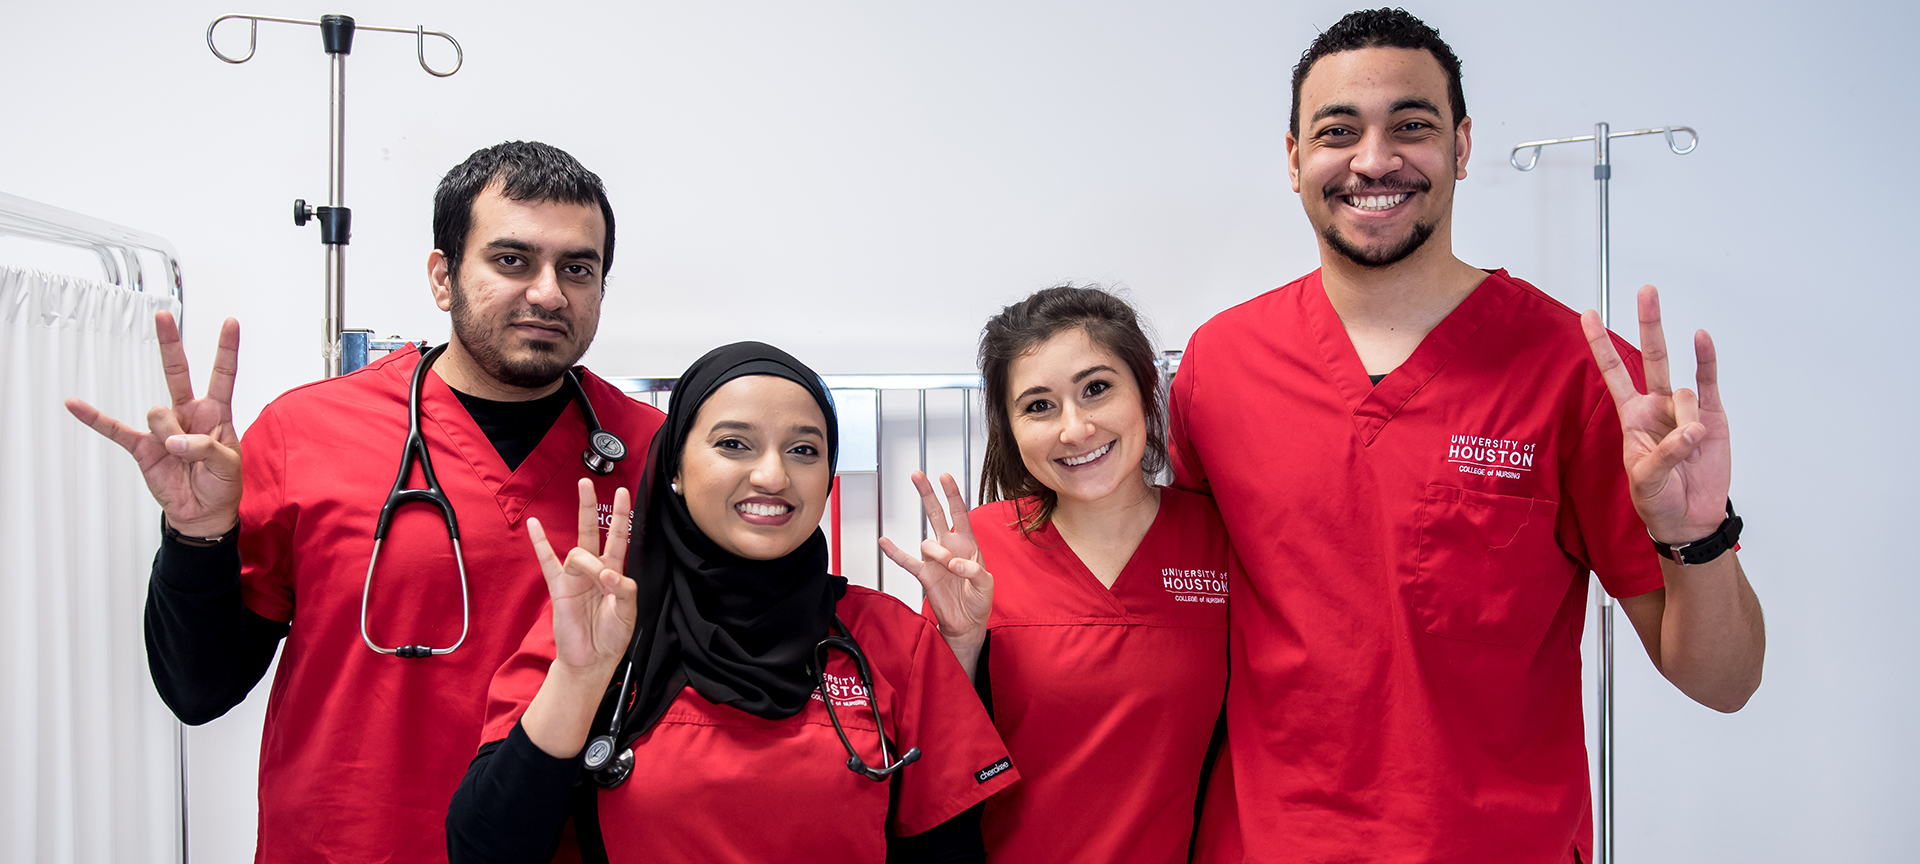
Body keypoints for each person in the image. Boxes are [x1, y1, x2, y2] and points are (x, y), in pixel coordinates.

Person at [1168, 10, 1767, 863]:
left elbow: (1725, 682)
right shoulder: (1220, 364)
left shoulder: (1585, 378)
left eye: (1412, 126)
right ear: (1295, 157)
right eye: (1339, 132)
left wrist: (1696, 536)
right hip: (1262, 843)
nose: (1375, 160)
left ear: (1463, 145)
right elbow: (1178, 621)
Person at [65, 141, 664, 862]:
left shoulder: (651, 453)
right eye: (511, 260)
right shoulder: (305, 432)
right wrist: (197, 535)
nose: (548, 292)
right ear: (443, 277)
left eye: (578, 268)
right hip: (347, 844)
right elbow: (200, 690)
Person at [447, 341, 1017, 863]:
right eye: (733, 444)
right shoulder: (601, 628)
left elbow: (951, 850)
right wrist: (578, 678)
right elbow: (485, 849)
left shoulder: (893, 641)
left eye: (803, 449)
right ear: (674, 465)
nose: (772, 475)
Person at [882, 285, 1230, 863]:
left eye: (1097, 389)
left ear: (1145, 391)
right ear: (1012, 430)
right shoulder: (977, 553)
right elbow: (936, 769)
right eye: (1039, 406)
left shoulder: (1219, 540)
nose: (1074, 429)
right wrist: (959, 647)